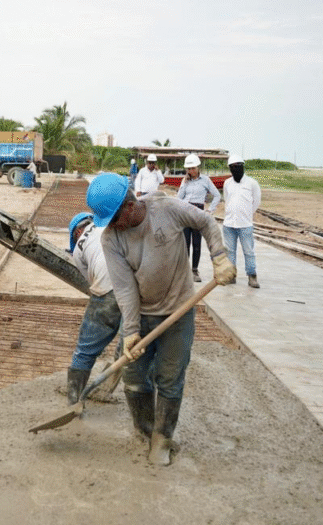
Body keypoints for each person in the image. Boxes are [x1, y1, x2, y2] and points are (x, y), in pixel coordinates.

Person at [86, 173, 236, 466]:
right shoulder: (111, 239)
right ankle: (144, 431)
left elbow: (205, 222)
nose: (112, 226)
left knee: (170, 378)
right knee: (133, 378)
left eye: (114, 218)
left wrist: (219, 256)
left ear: (129, 207)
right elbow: (125, 289)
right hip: (141, 316)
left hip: (178, 311)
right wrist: (130, 332)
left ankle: (162, 439)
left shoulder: (166, 209)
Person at [65, 212, 123, 405]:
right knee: (129, 343)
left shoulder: (78, 251)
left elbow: (92, 283)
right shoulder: (109, 229)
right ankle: (108, 386)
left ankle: (73, 402)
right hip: (137, 287)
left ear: (78, 232)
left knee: (85, 350)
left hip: (107, 291)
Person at [176, 153, 221, 282]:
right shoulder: (184, 181)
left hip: (198, 213)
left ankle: (194, 270)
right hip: (185, 213)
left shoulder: (206, 180)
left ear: (198, 167)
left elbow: (217, 195)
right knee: (185, 243)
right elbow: (179, 198)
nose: (191, 171)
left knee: (196, 243)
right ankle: (185, 271)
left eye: (193, 168)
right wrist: (184, 183)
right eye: (188, 169)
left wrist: (210, 210)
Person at [221, 154, 262, 288]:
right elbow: (227, 199)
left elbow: (256, 201)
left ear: (243, 167)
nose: (236, 169)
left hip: (245, 224)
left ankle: (252, 276)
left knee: (248, 251)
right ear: (230, 169)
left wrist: (247, 214)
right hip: (229, 224)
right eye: (233, 167)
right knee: (230, 252)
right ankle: (231, 276)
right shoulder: (227, 183)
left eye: (238, 166)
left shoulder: (252, 183)